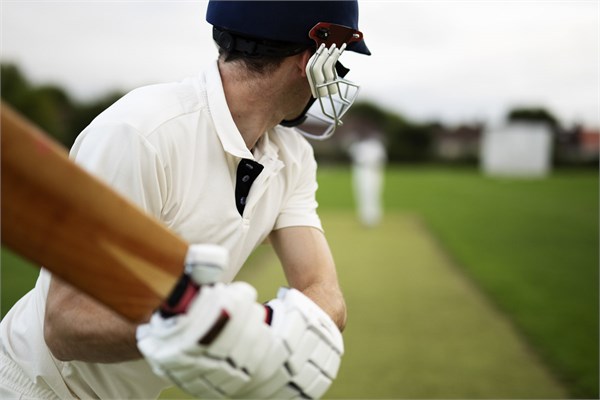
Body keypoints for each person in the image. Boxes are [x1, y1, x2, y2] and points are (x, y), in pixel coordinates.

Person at [0, 1, 370, 399]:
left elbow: (323, 290)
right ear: (312, 58)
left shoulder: (292, 155)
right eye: (339, 60)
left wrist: (257, 328)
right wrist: (205, 328)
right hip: (34, 387)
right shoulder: (140, 133)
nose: (336, 76)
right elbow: (65, 326)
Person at [348, 133, 387, 227]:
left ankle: (373, 216)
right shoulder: (359, 145)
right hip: (361, 171)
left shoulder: (377, 146)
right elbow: (353, 155)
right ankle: (364, 216)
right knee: (361, 193)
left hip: (373, 171)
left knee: (374, 193)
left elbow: (382, 159)